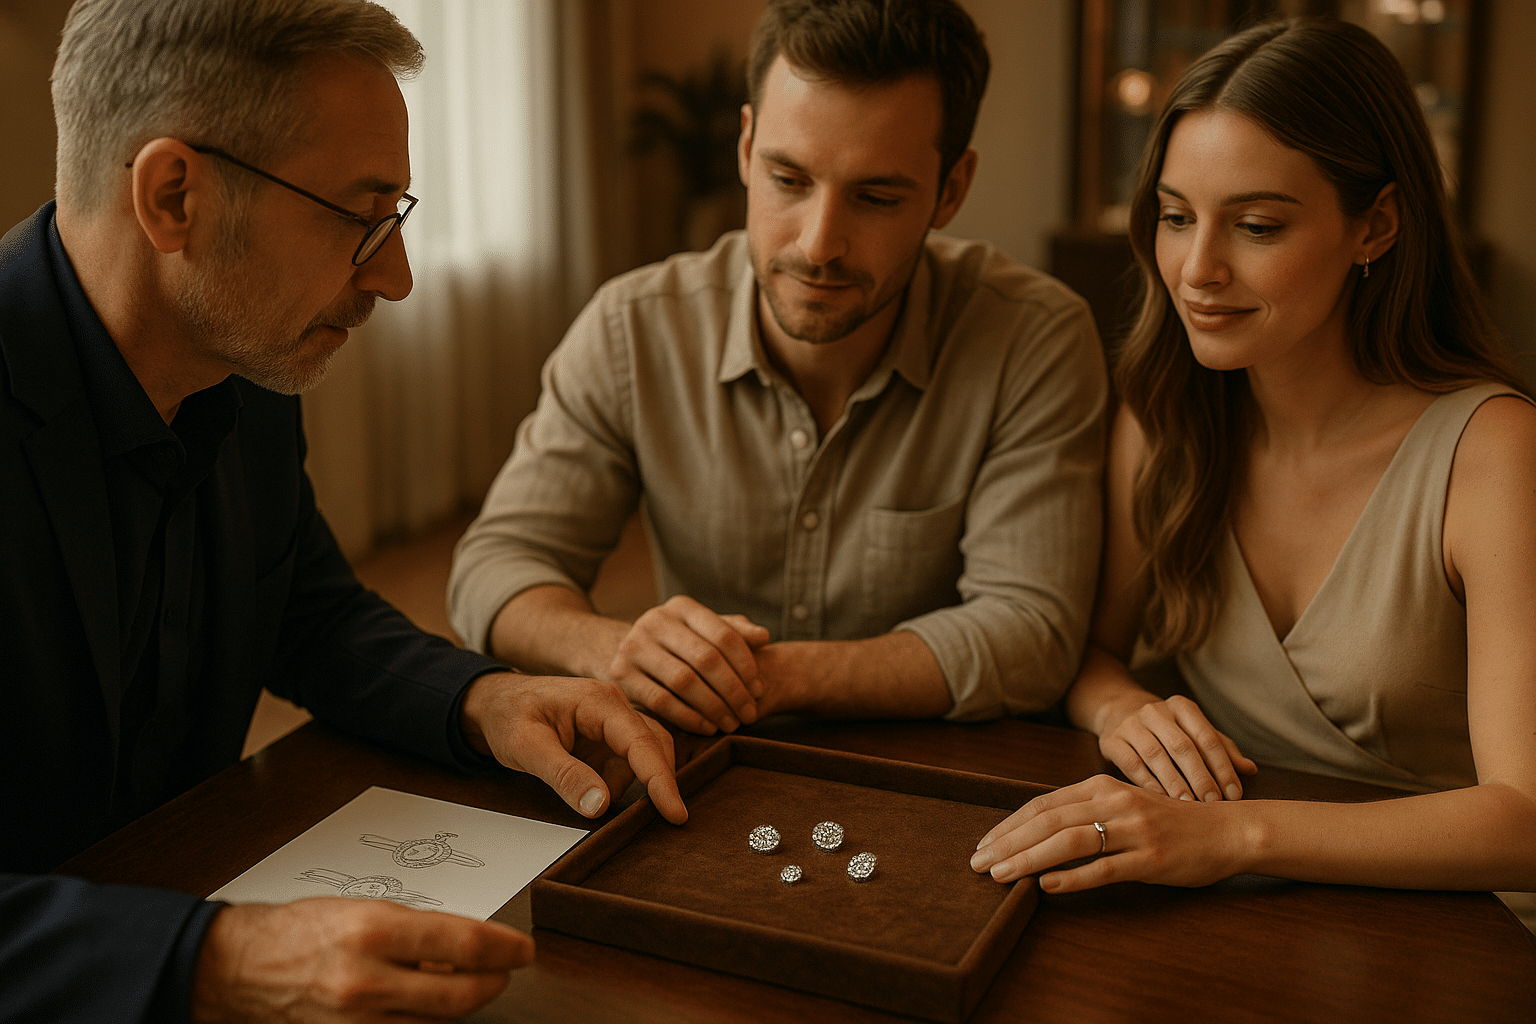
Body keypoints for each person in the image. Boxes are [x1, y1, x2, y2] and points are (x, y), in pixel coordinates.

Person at [0, 1, 690, 1020]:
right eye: (358, 217)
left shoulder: (239, 375)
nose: (397, 277)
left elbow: (308, 613)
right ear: (174, 195)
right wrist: (212, 958)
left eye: (396, 220)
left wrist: (483, 700)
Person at [969, 18, 1536, 930]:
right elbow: (1090, 653)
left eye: (1258, 225)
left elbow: (1527, 822)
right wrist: (1120, 707)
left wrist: (1231, 837)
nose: (1198, 270)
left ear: (1376, 225)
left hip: (1459, 933)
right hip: (1233, 912)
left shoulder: (1495, 452)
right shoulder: (1164, 417)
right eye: (1176, 215)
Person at [447, 0, 1108, 735]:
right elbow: (497, 564)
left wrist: (763, 676)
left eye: (876, 197)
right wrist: (615, 650)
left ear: (952, 189)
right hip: (707, 775)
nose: (819, 244)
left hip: (940, 776)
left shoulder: (1035, 338)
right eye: (788, 180)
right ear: (745, 146)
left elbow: (1032, 633)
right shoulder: (633, 328)